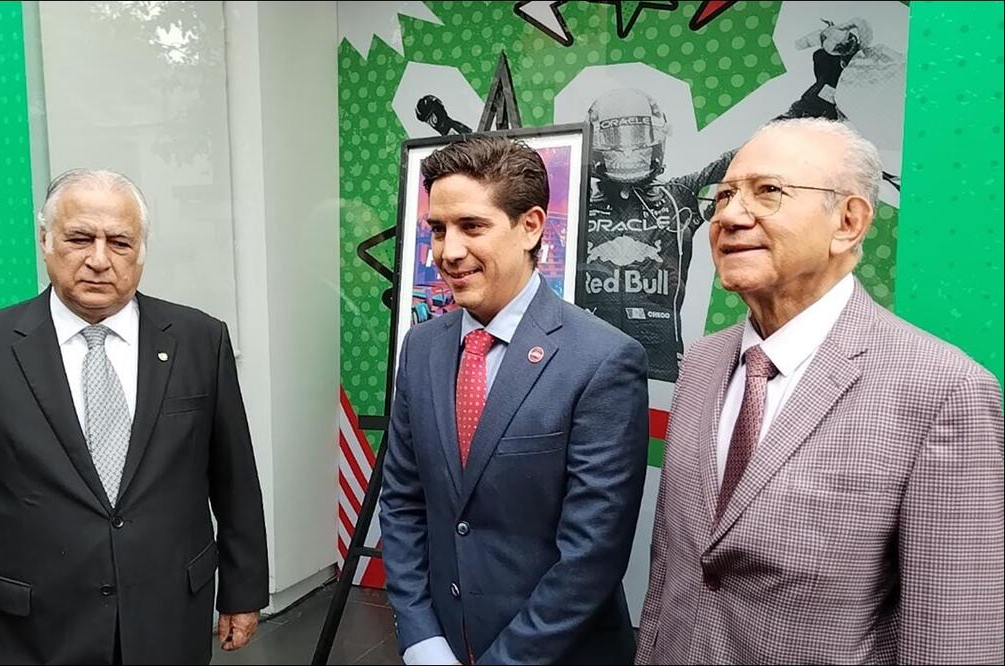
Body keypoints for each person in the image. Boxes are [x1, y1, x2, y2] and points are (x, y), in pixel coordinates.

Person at [636, 118, 1004, 664]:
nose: (730, 216)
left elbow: (952, 638)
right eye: (725, 195)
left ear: (848, 222)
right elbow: (672, 568)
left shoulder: (943, 391)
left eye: (768, 191)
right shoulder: (702, 363)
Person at [0, 169, 269, 665]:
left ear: (142, 250)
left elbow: (235, 478)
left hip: (166, 619)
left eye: (120, 242)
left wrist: (243, 587)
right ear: (45, 240)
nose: (99, 260)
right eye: (80, 238)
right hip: (25, 633)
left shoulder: (199, 340)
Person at [380, 135, 650, 665]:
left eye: (472, 226)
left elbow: (591, 555)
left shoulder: (602, 360)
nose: (448, 252)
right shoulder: (422, 347)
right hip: (443, 644)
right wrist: (421, 638)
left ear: (530, 227)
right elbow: (404, 501)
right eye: (438, 229)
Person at [581, 88, 733, 383]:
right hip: (588, 360)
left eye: (639, 135)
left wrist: (821, 92)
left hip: (660, 362)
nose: (627, 149)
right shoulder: (573, 199)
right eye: (614, 137)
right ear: (595, 141)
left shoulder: (678, 197)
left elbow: (746, 157)